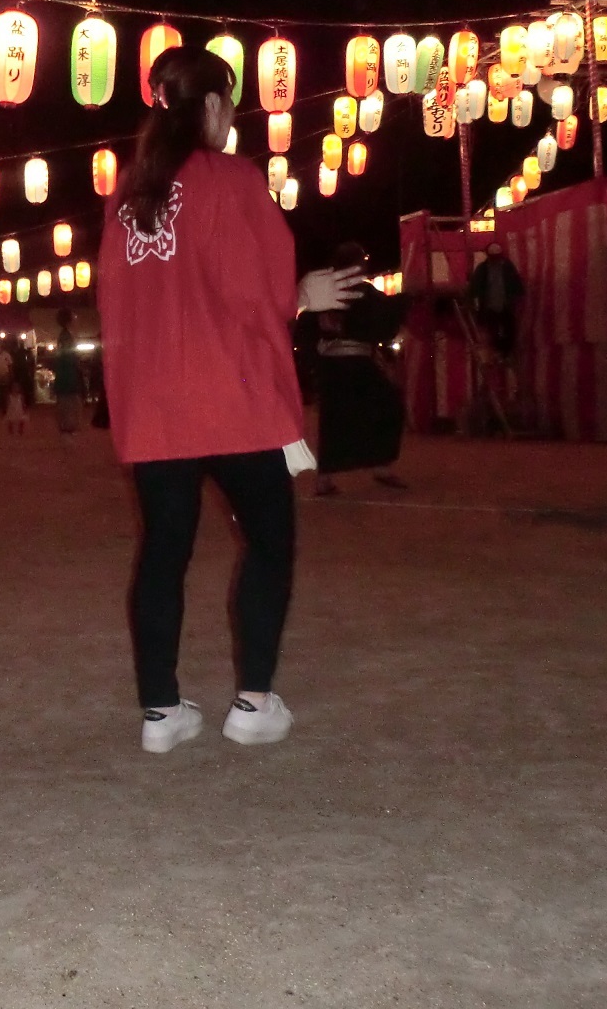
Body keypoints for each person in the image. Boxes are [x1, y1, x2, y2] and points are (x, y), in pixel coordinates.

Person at [98, 45, 361, 754]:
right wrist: (300, 296)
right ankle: (253, 701)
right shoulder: (231, 179)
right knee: (270, 542)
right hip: (230, 400)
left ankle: (160, 713)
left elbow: (116, 305)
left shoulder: (128, 195)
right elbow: (256, 290)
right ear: (213, 105)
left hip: (157, 408)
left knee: (162, 554)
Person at [313, 242, 411, 496]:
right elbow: (380, 319)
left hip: (330, 364)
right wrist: (406, 299)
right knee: (389, 405)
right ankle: (381, 466)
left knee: (335, 418)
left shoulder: (324, 290)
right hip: (354, 361)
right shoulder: (361, 292)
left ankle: (327, 477)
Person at [469, 242, 525, 359]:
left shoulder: (506, 267)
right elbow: (475, 287)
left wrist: (517, 296)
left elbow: (516, 283)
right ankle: (499, 353)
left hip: (505, 305)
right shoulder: (483, 269)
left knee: (508, 331)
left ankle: (504, 353)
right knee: (493, 332)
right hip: (491, 306)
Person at [52, 310, 86, 432]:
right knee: (70, 404)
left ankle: (67, 427)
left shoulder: (66, 336)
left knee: (68, 404)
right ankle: (68, 428)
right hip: (68, 377)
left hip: (66, 376)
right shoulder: (66, 337)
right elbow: (67, 357)